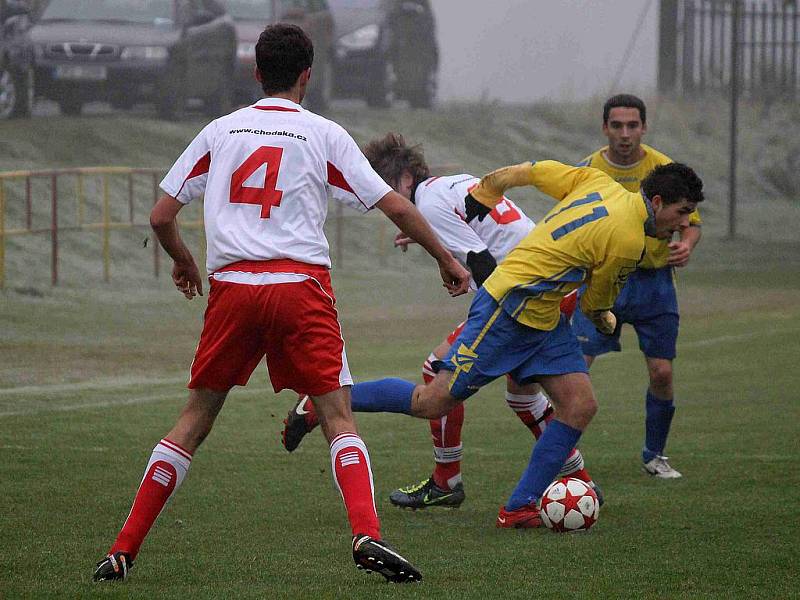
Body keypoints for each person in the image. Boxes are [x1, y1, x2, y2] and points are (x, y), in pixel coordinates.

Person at [92, 24, 470, 584]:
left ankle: (122, 551)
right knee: (338, 416)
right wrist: (446, 259)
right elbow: (394, 204)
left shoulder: (220, 131)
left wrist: (183, 260)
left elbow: (159, 217)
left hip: (234, 291)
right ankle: (366, 535)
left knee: (194, 420)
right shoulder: (322, 134)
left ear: (255, 71)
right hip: (299, 288)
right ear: (307, 75)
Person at [292, 157, 704, 526]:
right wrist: (604, 318)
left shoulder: (598, 182)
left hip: (543, 314)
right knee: (432, 400)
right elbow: (598, 300)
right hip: (509, 306)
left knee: (579, 404)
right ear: (656, 202)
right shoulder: (630, 239)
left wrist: (488, 190)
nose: (683, 222)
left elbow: (533, 170)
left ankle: (520, 505)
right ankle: (323, 401)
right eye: (681, 212)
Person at [281, 133, 601, 525]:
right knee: (528, 397)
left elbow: (484, 265)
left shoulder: (430, 204)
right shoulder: (449, 186)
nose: (383, 199)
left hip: (525, 296)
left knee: (437, 377)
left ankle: (330, 409)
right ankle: (574, 480)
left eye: (385, 186)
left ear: (406, 179)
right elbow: (485, 239)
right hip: (553, 287)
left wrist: (488, 319)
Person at [573, 94, 703, 479]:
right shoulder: (588, 170)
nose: (625, 134)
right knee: (575, 372)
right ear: (605, 128)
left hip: (654, 283)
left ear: (644, 127)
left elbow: (690, 222)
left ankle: (655, 455)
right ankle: (566, 460)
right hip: (602, 280)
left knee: (662, 372)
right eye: (617, 126)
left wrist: (686, 244)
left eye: (633, 126)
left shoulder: (665, 169)